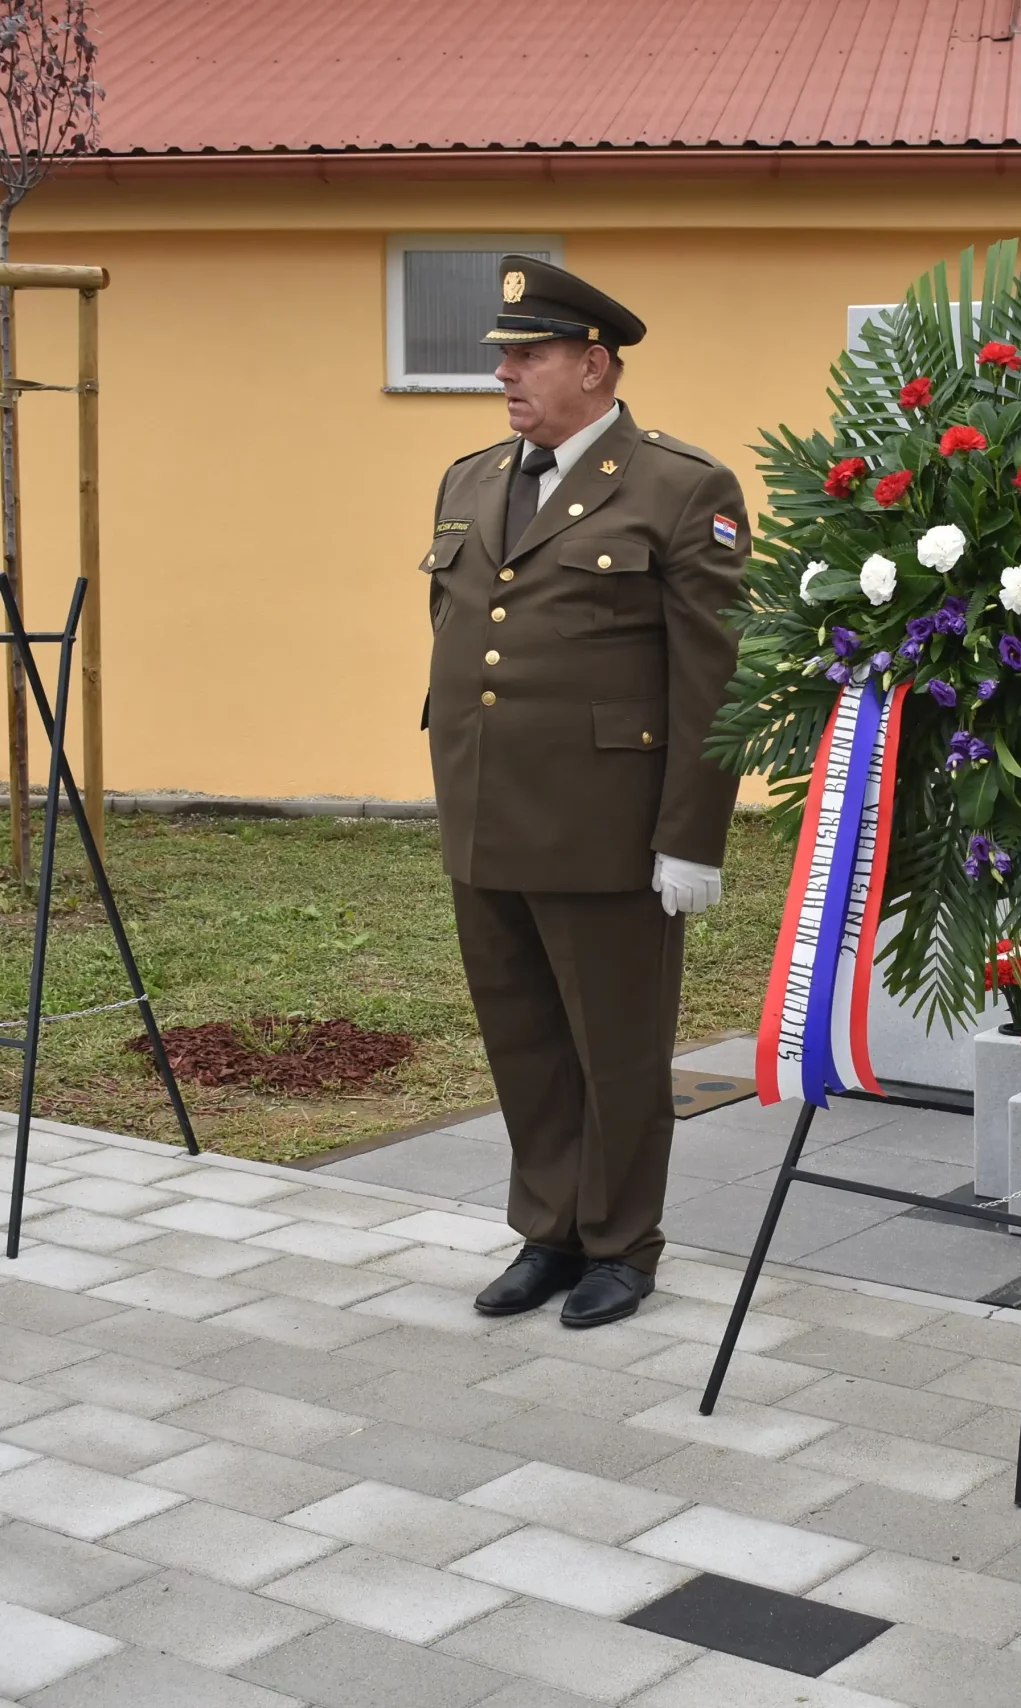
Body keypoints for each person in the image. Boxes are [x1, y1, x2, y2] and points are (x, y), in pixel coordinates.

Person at [420, 256, 747, 1329]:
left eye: (529, 355)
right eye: (504, 356)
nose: (505, 374)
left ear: (595, 365)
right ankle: (549, 1230)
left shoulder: (680, 487)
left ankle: (620, 1242)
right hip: (487, 815)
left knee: (616, 1048)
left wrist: (690, 837)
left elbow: (711, 678)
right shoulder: (470, 479)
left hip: (609, 828)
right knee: (522, 1039)